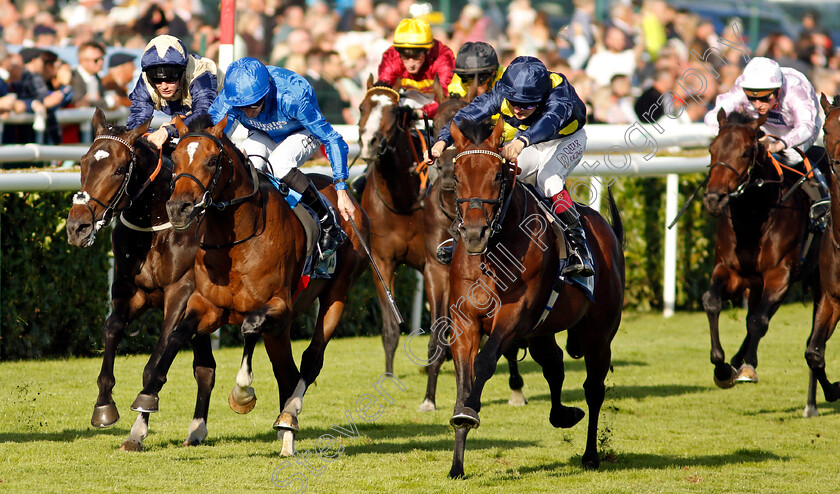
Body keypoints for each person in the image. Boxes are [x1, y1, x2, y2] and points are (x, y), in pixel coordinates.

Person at [427, 56, 594, 277]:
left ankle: (578, 247)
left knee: (548, 180)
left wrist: (521, 141)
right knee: (499, 174)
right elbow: (466, 116)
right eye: (514, 103)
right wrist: (441, 142)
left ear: (541, 96)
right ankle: (462, 234)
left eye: (526, 105)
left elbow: (549, 121)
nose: (518, 110)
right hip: (530, 141)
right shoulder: (502, 91)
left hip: (566, 140)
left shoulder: (558, 93)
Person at [209, 57, 355, 259]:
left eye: (254, 104)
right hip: (263, 133)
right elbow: (212, 134)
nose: (249, 111)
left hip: (301, 130)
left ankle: (326, 220)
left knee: (280, 163)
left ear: (266, 92)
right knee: (250, 166)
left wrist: (340, 188)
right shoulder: (231, 97)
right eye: (242, 107)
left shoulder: (292, 95)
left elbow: (331, 138)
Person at [704, 56, 829, 231]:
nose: (757, 105)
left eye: (764, 98)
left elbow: (806, 127)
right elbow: (712, 116)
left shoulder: (795, 89)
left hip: (797, 130)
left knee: (792, 159)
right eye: (752, 99)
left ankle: (821, 201)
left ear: (778, 90)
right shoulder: (743, 86)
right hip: (764, 128)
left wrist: (779, 145)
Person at [127, 35, 223, 149]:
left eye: (170, 78)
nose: (164, 86)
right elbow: (136, 122)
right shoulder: (145, 81)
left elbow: (203, 115)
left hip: (222, 111)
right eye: (156, 79)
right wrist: (151, 135)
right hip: (185, 112)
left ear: (182, 73)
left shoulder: (200, 75)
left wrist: (169, 130)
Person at [376, 17, 454, 118]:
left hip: (435, 103)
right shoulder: (391, 57)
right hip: (405, 99)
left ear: (428, 51)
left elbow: (445, 100)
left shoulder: (443, 58)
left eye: (416, 57)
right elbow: (384, 91)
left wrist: (420, 113)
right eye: (405, 57)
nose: (411, 64)